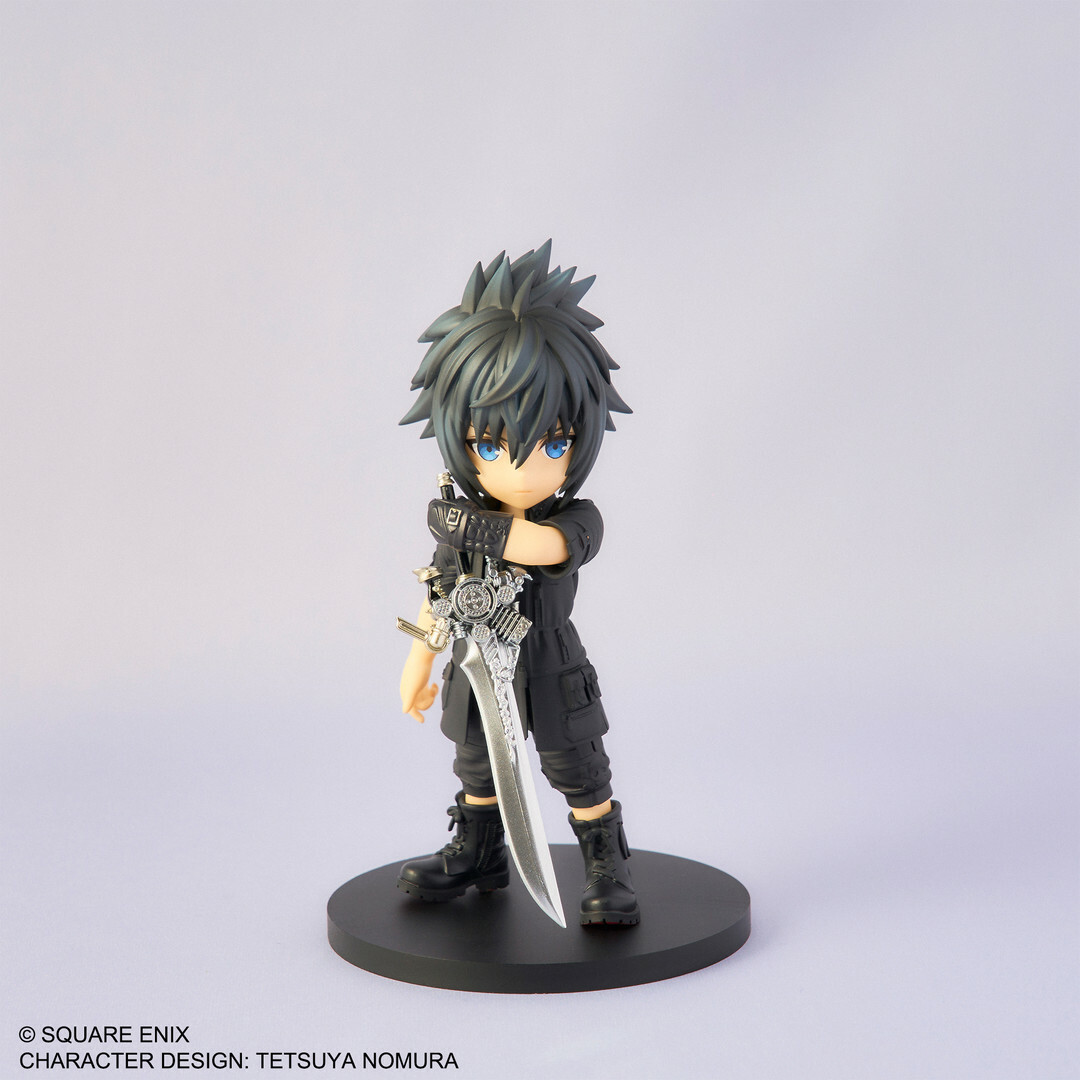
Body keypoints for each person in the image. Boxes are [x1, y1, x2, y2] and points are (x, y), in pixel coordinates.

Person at [396, 242, 638, 926]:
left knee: (577, 764)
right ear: (461, 439)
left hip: (550, 658)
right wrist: (418, 660)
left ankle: (606, 865)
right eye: (491, 445)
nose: (524, 470)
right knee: (477, 765)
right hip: (477, 658)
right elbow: (439, 595)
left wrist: (462, 525)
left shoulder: (575, 520)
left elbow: (540, 547)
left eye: (553, 444)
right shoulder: (460, 531)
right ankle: (479, 851)